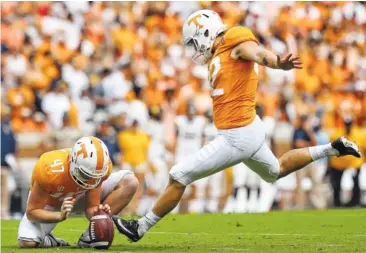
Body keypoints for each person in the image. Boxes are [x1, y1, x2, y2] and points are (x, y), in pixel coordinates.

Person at [113, 10, 361, 241]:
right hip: (247, 128)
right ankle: (333, 148)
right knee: (275, 170)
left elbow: (258, 53)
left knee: (179, 175)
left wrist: (276, 62)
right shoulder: (219, 55)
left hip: (237, 134)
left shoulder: (233, 39)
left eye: (193, 41)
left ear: (207, 31)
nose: (194, 48)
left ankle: (141, 227)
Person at [17, 136, 138, 248]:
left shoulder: (100, 168)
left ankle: (89, 237)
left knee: (130, 181)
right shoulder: (49, 168)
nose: (90, 182)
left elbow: (91, 207)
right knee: (27, 242)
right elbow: (32, 212)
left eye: (95, 177)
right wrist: (59, 215)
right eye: (85, 175)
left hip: (80, 196)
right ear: (72, 162)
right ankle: (50, 240)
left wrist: (99, 213)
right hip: (52, 203)